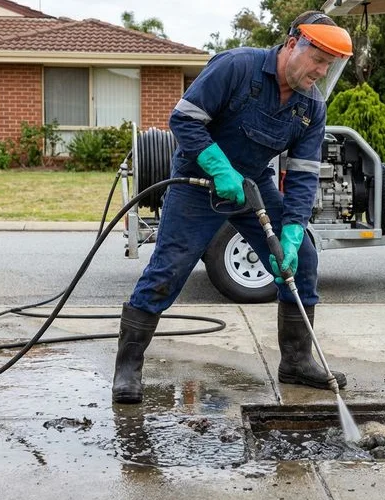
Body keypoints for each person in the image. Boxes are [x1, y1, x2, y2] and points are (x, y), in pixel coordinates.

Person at [112, 11, 354, 404]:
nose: (321, 72)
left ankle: (296, 360)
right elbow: (184, 118)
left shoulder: (311, 107)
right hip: (199, 182)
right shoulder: (237, 67)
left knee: (303, 258)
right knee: (168, 270)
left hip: (252, 184)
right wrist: (220, 168)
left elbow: (304, 174)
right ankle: (127, 368)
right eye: (318, 59)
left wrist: (292, 231)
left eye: (330, 65)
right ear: (293, 45)